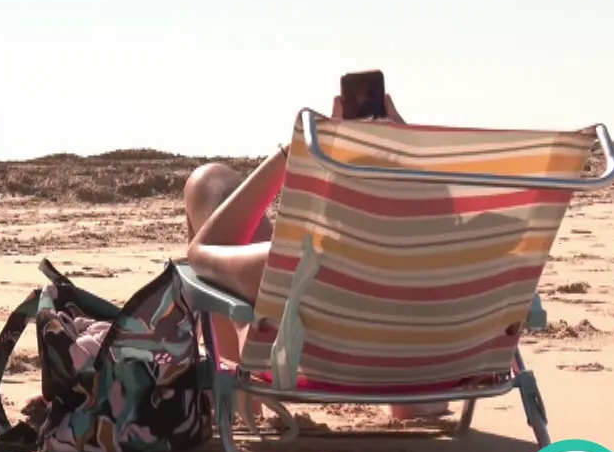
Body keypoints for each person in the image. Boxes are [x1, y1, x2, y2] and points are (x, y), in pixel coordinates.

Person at [183, 89, 450, 421]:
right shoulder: (446, 256)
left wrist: (293, 152)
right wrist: (405, 146)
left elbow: (201, 254)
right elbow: (441, 210)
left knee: (209, 181)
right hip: (412, 371)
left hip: (296, 366)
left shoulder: (289, 263)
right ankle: (412, 404)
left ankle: (241, 387)